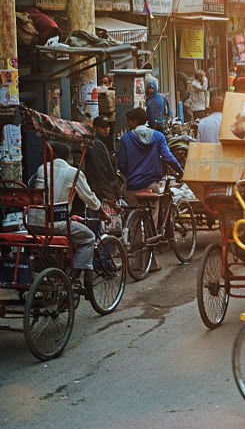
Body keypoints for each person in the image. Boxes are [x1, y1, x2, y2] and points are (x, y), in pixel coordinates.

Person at [28, 142, 104, 292]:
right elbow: (89, 198)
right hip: (55, 224)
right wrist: (102, 212)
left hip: (32, 222)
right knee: (88, 237)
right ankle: (74, 278)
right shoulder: (73, 173)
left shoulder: (42, 169)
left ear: (52, 155)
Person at [118, 106, 183, 192]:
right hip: (152, 185)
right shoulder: (158, 136)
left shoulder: (125, 138)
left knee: (133, 205)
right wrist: (181, 171)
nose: (128, 124)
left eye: (129, 121)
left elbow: (122, 164)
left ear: (135, 122)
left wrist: (132, 176)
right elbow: (168, 157)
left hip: (133, 186)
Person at [83, 116, 119, 202]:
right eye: (103, 127)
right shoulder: (96, 144)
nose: (106, 129)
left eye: (108, 127)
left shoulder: (100, 143)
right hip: (99, 188)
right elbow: (101, 170)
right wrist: (108, 192)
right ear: (95, 128)